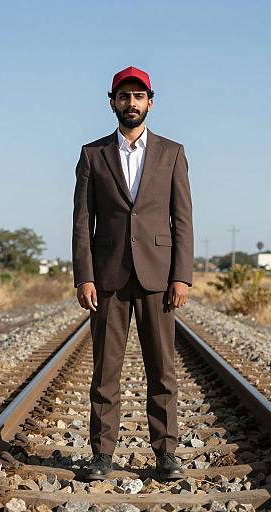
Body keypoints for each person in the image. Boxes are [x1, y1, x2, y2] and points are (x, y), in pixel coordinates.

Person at [72, 66, 194, 480]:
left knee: (163, 370)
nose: (131, 104)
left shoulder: (172, 153)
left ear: (150, 102)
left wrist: (182, 275)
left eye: (138, 97)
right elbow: (82, 220)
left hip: (159, 278)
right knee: (106, 372)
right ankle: (102, 455)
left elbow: (183, 219)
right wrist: (83, 276)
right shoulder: (93, 154)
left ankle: (166, 455)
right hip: (107, 278)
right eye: (123, 97)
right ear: (112, 103)